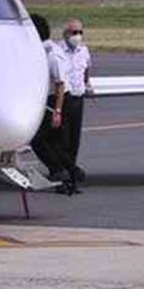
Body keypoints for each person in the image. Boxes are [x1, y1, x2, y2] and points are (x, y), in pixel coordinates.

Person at [28, 12, 76, 192]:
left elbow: (60, 85)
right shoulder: (48, 49)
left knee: (38, 140)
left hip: (59, 100)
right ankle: (69, 176)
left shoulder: (50, 55)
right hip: (57, 100)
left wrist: (57, 111)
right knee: (55, 143)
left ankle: (61, 171)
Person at [50, 19, 92, 185]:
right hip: (64, 99)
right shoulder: (58, 51)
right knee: (62, 139)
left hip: (78, 98)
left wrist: (87, 83)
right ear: (66, 33)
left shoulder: (84, 51)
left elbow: (86, 68)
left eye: (80, 32)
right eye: (74, 32)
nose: (78, 36)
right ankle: (62, 172)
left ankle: (70, 171)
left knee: (75, 139)